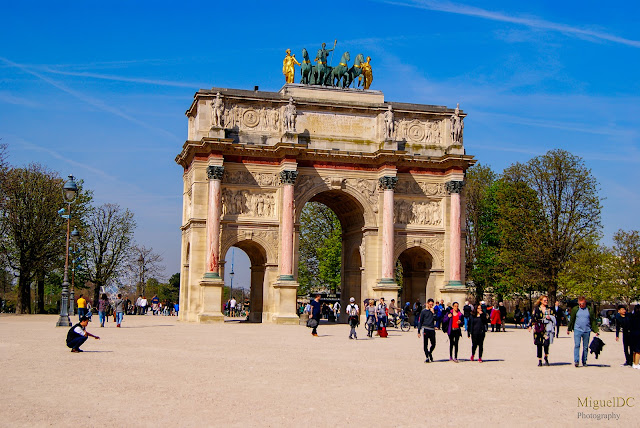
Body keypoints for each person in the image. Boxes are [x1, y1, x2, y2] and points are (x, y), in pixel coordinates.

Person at [567, 296, 599, 367]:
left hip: (587, 330)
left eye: (583, 303)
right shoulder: (575, 309)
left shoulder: (589, 309)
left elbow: (593, 320)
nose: (581, 305)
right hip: (577, 329)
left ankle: (584, 360)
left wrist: (596, 330)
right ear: (578, 303)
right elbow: (572, 319)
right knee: (577, 345)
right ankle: (576, 361)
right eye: (580, 303)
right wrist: (569, 328)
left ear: (585, 302)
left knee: (585, 347)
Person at [529, 295, 556, 366]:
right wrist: (530, 325)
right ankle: (540, 360)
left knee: (546, 344)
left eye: (547, 300)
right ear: (541, 301)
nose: (546, 302)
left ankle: (546, 357)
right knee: (539, 344)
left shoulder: (550, 309)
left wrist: (550, 317)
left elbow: (554, 317)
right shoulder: (537, 309)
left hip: (547, 328)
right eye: (545, 300)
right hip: (539, 327)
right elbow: (533, 317)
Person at [417, 298, 436, 363]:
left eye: (432, 305)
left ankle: (429, 353)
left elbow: (436, 319)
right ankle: (427, 357)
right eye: (430, 304)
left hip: (432, 329)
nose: (431, 306)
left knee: (433, 344)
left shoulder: (433, 311)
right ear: (427, 304)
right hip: (425, 329)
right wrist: (418, 331)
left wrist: (433, 313)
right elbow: (420, 321)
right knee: (425, 344)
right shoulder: (423, 311)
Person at [630, 305, 640, 369]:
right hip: (638, 334)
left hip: (632, 334)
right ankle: (636, 363)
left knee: (634, 350)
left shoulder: (632, 317)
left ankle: (634, 363)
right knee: (638, 351)